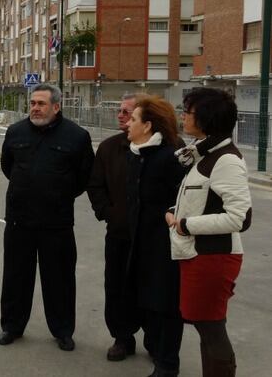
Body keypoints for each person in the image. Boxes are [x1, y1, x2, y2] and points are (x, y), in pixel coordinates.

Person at [0, 83, 94, 352]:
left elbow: (84, 177)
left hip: (57, 222)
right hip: (19, 220)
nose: (35, 108)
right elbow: (8, 167)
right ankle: (12, 327)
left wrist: (57, 194)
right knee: (16, 277)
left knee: (59, 279)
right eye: (32, 103)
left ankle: (63, 331)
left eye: (41, 103)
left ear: (56, 106)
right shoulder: (15, 132)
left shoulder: (77, 136)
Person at [166, 88, 252, 377]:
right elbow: (203, 199)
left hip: (213, 256)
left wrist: (186, 224)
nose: (183, 116)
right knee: (206, 325)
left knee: (211, 327)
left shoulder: (226, 159)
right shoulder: (206, 153)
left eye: (187, 112)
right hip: (198, 254)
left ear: (205, 118)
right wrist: (176, 214)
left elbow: (240, 217)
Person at [124, 96, 186, 377]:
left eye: (134, 119)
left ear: (148, 126)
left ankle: (167, 364)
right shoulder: (139, 154)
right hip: (142, 243)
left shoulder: (169, 157)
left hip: (165, 247)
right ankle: (155, 350)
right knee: (147, 300)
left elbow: (178, 202)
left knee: (166, 305)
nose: (128, 123)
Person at [87, 94, 149, 361]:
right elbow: (95, 185)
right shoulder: (110, 147)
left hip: (153, 236)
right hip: (119, 232)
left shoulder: (169, 147)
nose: (121, 115)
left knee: (151, 286)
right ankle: (122, 337)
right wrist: (108, 213)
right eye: (120, 111)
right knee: (117, 286)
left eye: (128, 112)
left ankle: (156, 340)